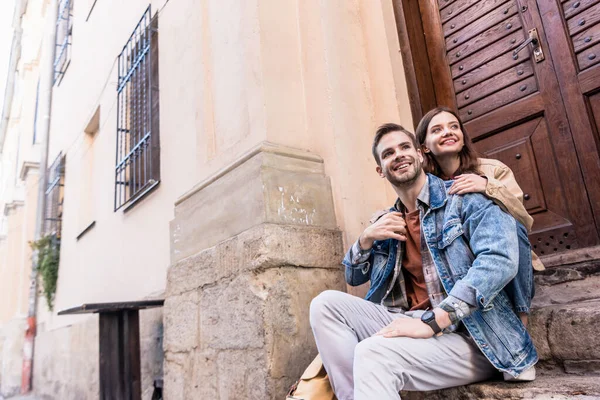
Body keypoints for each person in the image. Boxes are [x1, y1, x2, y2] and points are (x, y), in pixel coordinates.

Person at [309, 123, 538, 400]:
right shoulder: (387, 222)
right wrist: (366, 239)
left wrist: (433, 321)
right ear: (381, 170)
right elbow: (353, 277)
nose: (399, 155)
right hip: (410, 321)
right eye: (388, 153)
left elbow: (499, 261)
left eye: (405, 147)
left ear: (420, 155)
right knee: (325, 305)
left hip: (475, 335)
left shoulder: (464, 196)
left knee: (373, 352)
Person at [415, 106, 544, 325]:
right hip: (460, 266)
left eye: (454, 127)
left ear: (463, 139)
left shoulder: (494, 170)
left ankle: (521, 318)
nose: (447, 132)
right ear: (424, 147)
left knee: (512, 225)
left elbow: (522, 219)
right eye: (437, 129)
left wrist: (487, 186)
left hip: (504, 261)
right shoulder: (424, 186)